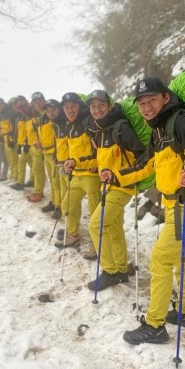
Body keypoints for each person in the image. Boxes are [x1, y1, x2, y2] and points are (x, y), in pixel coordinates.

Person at [102, 77, 185, 345]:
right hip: (174, 206)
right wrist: (116, 176)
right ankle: (184, 312)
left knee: (160, 260)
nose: (146, 107)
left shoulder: (180, 122)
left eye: (152, 101)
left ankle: (155, 325)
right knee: (183, 258)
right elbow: (144, 166)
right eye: (142, 103)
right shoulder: (158, 131)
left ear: (165, 98)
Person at [80, 90, 146, 289]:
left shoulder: (120, 127)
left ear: (109, 106)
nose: (97, 109)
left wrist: (122, 174)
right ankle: (120, 269)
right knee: (113, 228)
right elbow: (100, 158)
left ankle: (109, 271)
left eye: (101, 105)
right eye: (93, 106)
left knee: (96, 225)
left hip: (123, 187)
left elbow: (141, 156)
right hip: (108, 186)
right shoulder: (98, 131)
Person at [54, 92, 100, 253]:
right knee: (67, 204)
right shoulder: (69, 125)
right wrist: (68, 162)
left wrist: (99, 164)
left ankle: (98, 244)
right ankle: (73, 234)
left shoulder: (90, 122)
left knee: (96, 213)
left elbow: (100, 149)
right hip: (77, 175)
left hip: (92, 174)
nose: (70, 110)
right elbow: (73, 151)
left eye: (73, 106)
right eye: (66, 107)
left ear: (80, 106)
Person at [38, 99, 67, 219]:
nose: (51, 113)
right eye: (48, 111)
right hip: (47, 153)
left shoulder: (60, 122)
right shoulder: (42, 119)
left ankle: (59, 206)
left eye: (54, 109)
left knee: (59, 182)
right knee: (52, 180)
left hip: (56, 155)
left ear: (59, 108)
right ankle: (53, 202)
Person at [10, 96, 34, 191]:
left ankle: (20, 182)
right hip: (26, 143)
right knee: (31, 164)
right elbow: (21, 132)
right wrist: (19, 144)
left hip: (31, 144)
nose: (18, 108)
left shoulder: (30, 113)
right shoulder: (21, 115)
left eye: (20, 105)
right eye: (16, 106)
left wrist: (26, 144)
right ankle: (33, 180)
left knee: (22, 162)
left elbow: (29, 131)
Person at [26, 92, 47, 203]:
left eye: (40, 100)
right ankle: (39, 191)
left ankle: (38, 192)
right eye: (35, 102)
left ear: (44, 100)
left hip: (43, 146)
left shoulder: (48, 112)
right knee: (37, 169)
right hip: (35, 145)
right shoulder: (36, 114)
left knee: (38, 169)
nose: (38, 103)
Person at [0, 97, 19, 181]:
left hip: (10, 139)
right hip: (6, 139)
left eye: (0, 104)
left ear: (4, 103)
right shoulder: (3, 113)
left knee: (14, 159)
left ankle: (17, 178)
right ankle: (13, 176)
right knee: (10, 159)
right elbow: (4, 128)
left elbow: (15, 127)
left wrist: (12, 139)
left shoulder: (10, 112)